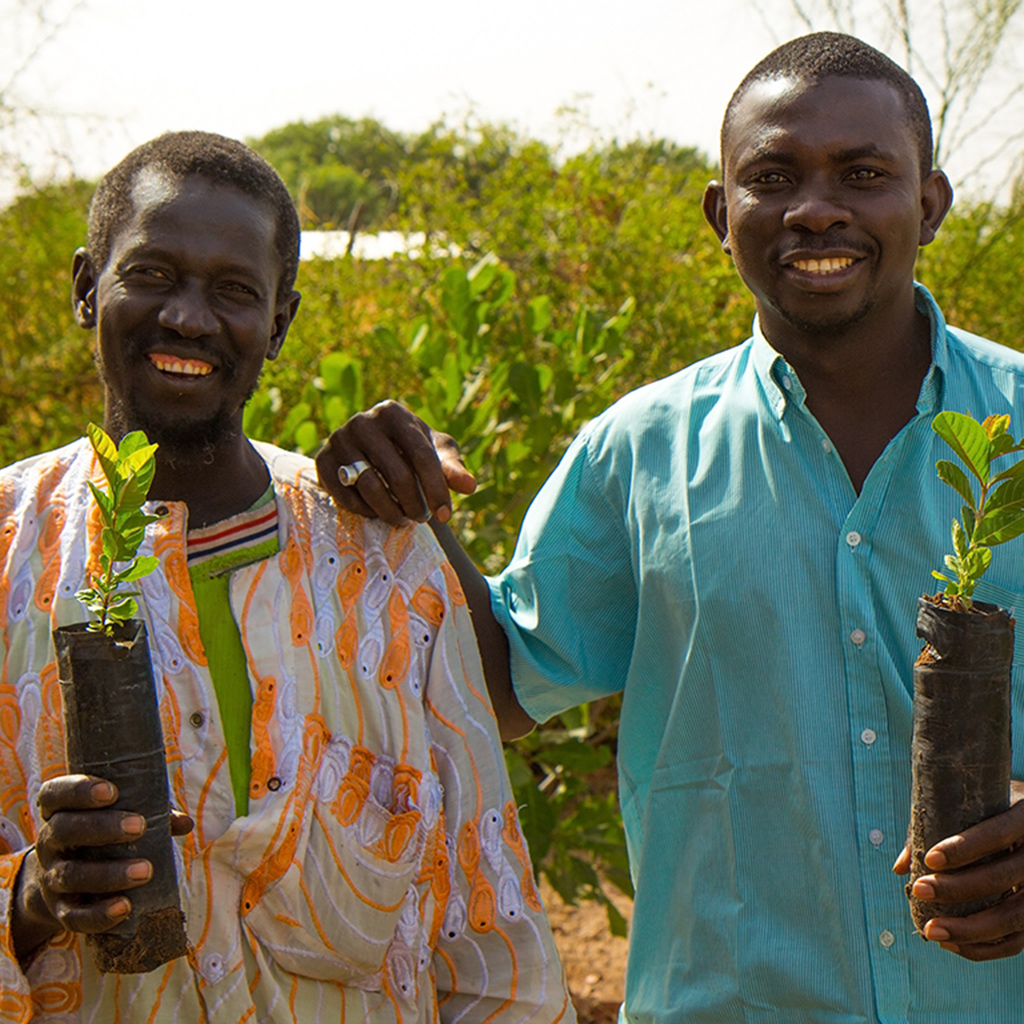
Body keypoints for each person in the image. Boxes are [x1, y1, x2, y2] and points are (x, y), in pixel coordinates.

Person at [317, 33, 1024, 1023]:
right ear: (719, 216)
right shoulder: (636, 452)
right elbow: (501, 684)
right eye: (772, 175)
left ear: (931, 203)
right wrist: (406, 505)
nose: (816, 205)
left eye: (863, 173)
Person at [0, 131, 573, 1024]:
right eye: (150, 274)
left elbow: (485, 906)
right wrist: (29, 897)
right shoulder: (7, 548)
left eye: (233, 291)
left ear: (278, 324)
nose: (188, 317)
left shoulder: (381, 562)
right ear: (86, 288)